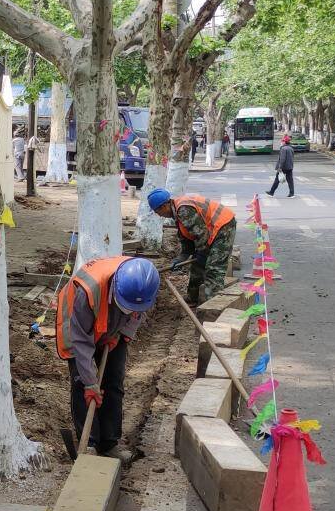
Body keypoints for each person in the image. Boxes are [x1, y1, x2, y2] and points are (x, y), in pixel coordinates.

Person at [53, 256, 161, 463]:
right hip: (77, 323)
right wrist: (90, 383)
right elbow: (81, 341)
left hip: (113, 322)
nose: (131, 309)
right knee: (82, 384)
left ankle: (109, 444)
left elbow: (137, 315)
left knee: (114, 381)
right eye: (127, 305)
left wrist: (120, 333)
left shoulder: (144, 286)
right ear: (116, 288)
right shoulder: (87, 292)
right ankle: (89, 444)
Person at [146, 188, 237, 305]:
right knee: (197, 266)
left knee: (214, 268)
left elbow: (202, 235)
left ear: (164, 206)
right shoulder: (177, 212)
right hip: (211, 230)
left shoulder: (184, 210)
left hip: (223, 226)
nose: (159, 215)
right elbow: (187, 236)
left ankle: (213, 306)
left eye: (157, 212)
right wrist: (182, 256)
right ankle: (193, 297)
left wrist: (202, 254)